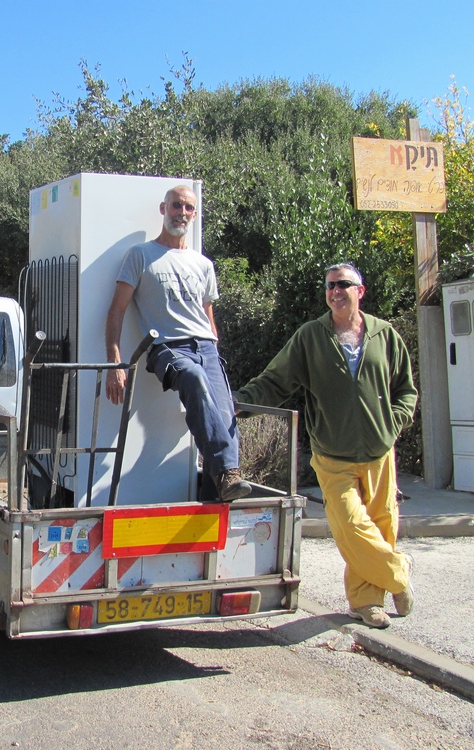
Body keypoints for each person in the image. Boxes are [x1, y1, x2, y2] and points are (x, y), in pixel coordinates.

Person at [233, 262, 418, 628]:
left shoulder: (385, 335)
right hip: (333, 455)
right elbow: (276, 380)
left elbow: (406, 391)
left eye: (343, 285)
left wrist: (393, 424)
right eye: (330, 285)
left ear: (359, 291)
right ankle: (398, 573)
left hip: (380, 452)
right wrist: (241, 403)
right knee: (351, 526)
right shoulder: (310, 337)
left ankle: (366, 603)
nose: (335, 291)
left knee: (382, 526)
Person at [105, 184, 252, 503]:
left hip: (207, 349)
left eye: (188, 208)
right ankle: (229, 474)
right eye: (175, 206)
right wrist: (116, 364)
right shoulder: (140, 255)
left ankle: (219, 494)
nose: (181, 213)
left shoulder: (203, 265)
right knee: (194, 379)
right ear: (163, 209)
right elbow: (116, 311)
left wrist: (221, 375)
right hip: (167, 349)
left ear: (195, 214)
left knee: (225, 415)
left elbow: (209, 319)